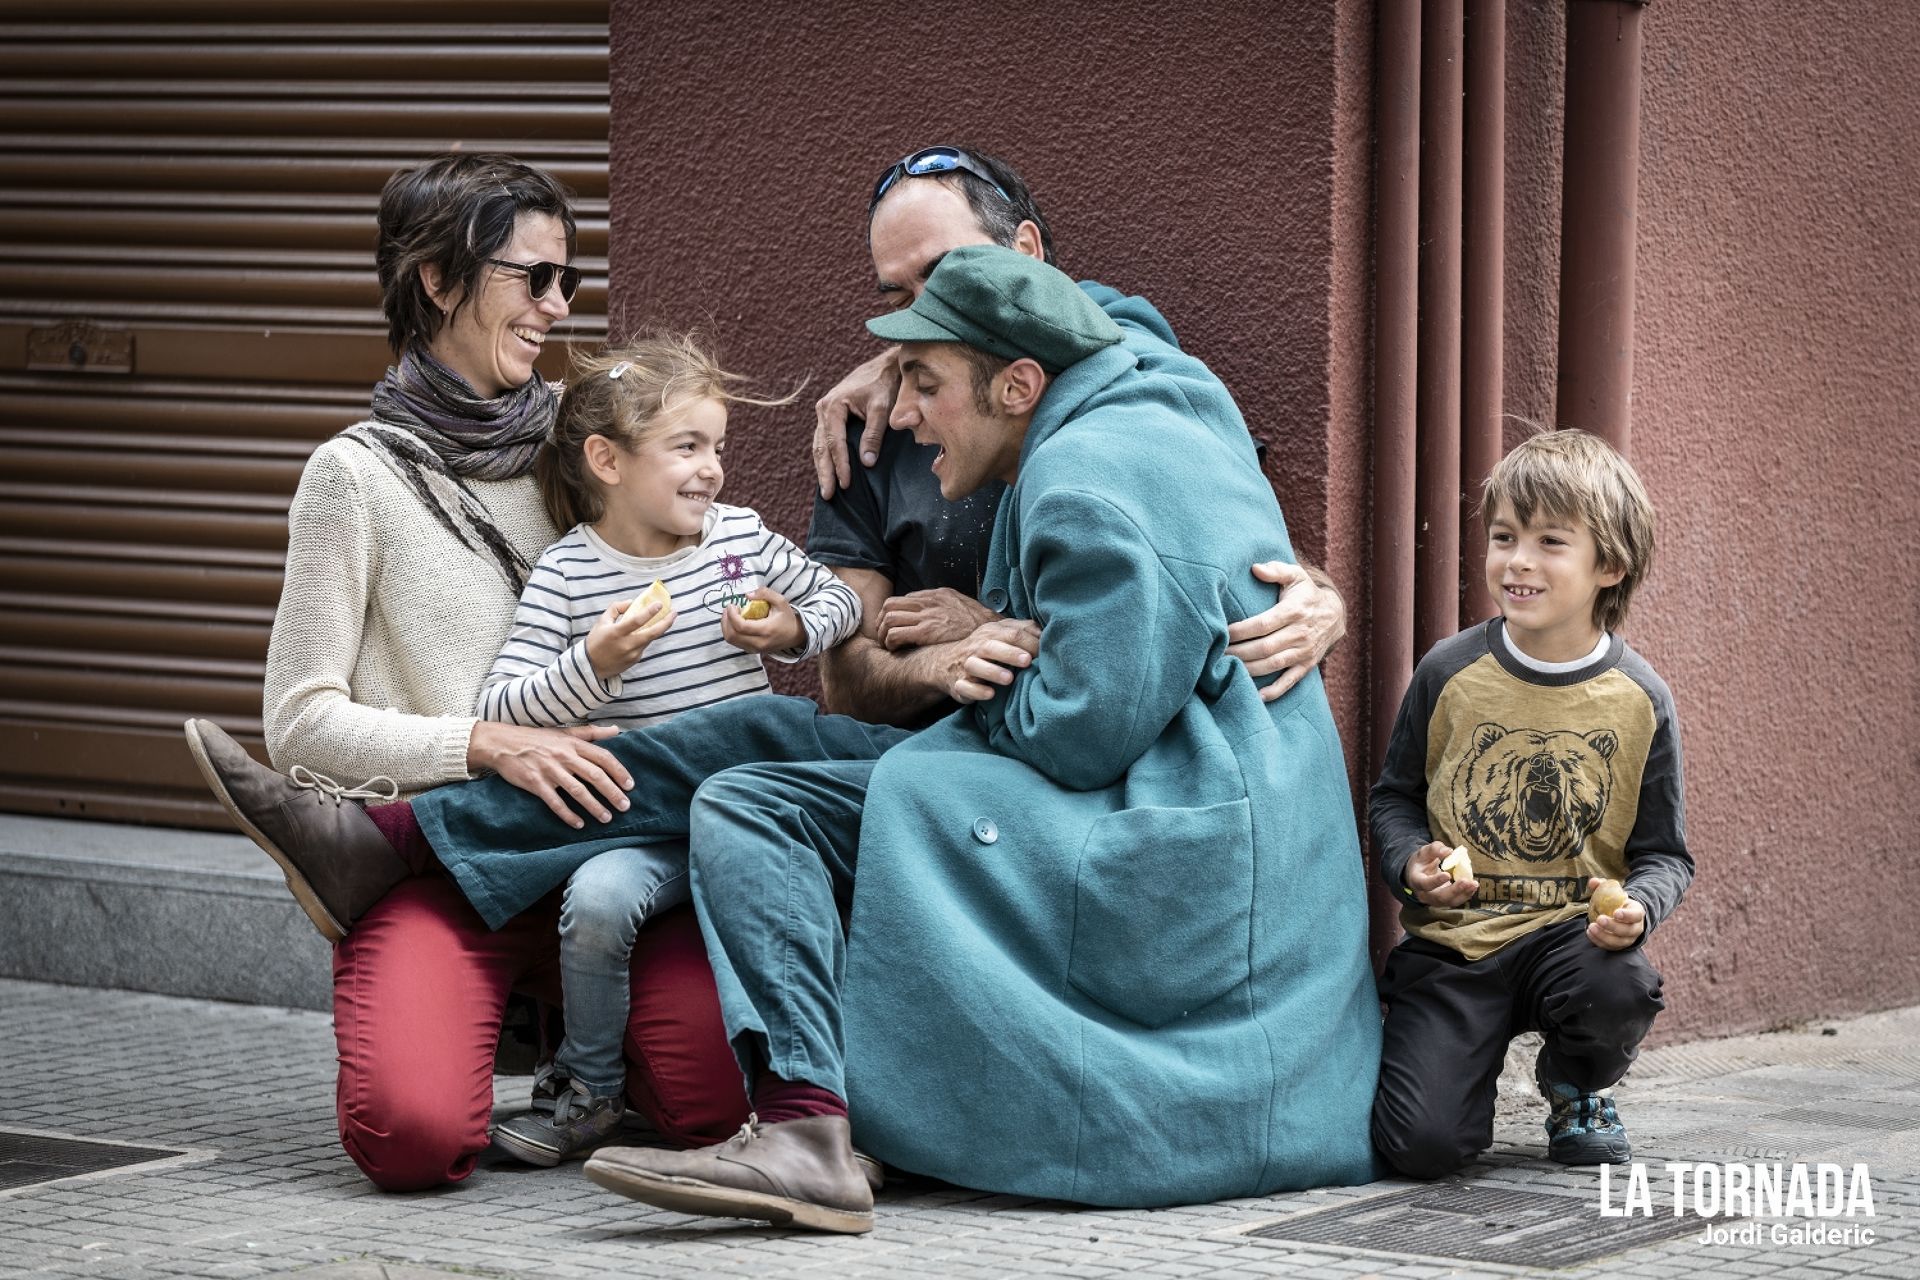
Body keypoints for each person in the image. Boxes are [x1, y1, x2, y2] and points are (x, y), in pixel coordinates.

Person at [578, 245, 1383, 1231]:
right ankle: (433, 832)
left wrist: (991, 665)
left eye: (924, 381)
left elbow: (1081, 733)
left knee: (753, 799)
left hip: (1168, 833)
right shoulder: (1164, 390)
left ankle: (806, 1130)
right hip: (1228, 813)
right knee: (757, 741)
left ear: (1017, 382)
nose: (902, 413)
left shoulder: (1080, 477)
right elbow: (1109, 318)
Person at [181, 153, 751, 1192]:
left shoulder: (588, 450)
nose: (557, 306)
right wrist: (481, 741)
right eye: (528, 278)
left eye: (568, 279)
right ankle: (487, 992)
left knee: (713, 1102)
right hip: (449, 867)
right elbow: (298, 722)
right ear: (437, 282)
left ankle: (572, 1038)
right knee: (408, 1136)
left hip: (611, 849)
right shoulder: (352, 475)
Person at [479, 336, 862, 1166]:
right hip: (644, 823)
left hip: (754, 813)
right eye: (687, 447)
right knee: (598, 901)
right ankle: (587, 1089)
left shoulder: (738, 541)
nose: (712, 469)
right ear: (606, 462)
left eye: (717, 446)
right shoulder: (570, 574)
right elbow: (499, 707)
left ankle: (813, 1092)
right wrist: (595, 666)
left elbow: (839, 602)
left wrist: (793, 628)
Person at [806, 146, 1347, 727]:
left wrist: (1320, 599)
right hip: (930, 762)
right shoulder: (870, 428)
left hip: (1089, 775)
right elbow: (843, 679)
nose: (924, 314)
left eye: (946, 276)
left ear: (1027, 253)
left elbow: (1211, 572)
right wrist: (945, 662)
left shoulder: (1131, 381)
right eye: (898, 297)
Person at [1367, 429, 1693, 1178]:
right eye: (1505, 536)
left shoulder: (1640, 698)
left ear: (1608, 564)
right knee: (1421, 1149)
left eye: (1550, 542)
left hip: (1572, 946)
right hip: (1454, 945)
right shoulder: (1449, 671)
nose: (1517, 560)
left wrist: (1638, 908)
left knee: (1621, 984)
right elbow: (1395, 798)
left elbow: (1666, 854)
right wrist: (1410, 864)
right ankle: (1459, 1080)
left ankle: (1577, 1084)